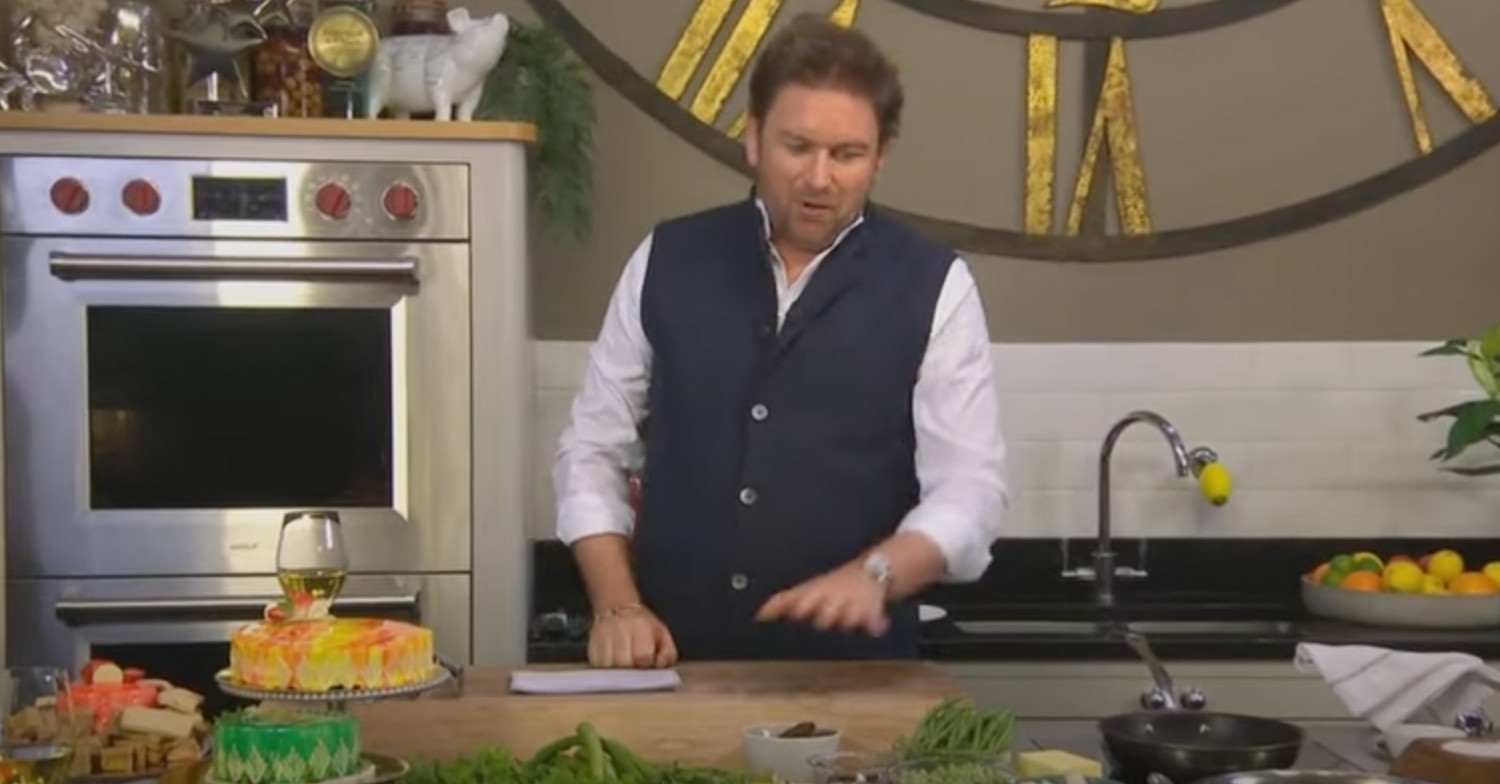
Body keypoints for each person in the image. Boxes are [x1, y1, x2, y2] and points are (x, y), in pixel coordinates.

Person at [552, 12, 1009, 668]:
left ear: (880, 157)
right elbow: (591, 451)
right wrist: (618, 604)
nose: (820, 178)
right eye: (798, 147)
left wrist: (876, 575)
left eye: (847, 154)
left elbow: (970, 489)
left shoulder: (937, 285)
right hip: (676, 668)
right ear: (754, 139)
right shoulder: (666, 257)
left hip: (855, 683)